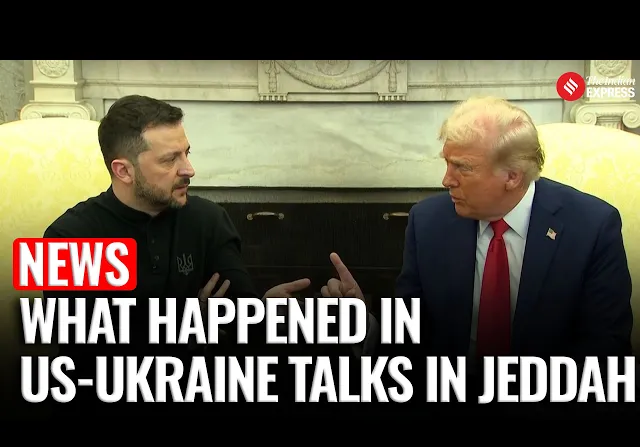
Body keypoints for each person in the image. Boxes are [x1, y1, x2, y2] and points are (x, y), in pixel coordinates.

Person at [321, 96, 634, 416]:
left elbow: (605, 350)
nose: (446, 180)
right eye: (446, 163)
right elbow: (410, 336)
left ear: (512, 176)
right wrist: (365, 324)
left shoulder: (591, 227)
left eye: (463, 168)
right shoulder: (428, 222)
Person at [42, 94, 310, 417]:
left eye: (187, 153)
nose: (189, 170)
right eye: (169, 160)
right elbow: (89, 367)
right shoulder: (70, 238)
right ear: (123, 170)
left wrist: (266, 314)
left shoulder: (208, 220)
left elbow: (240, 324)